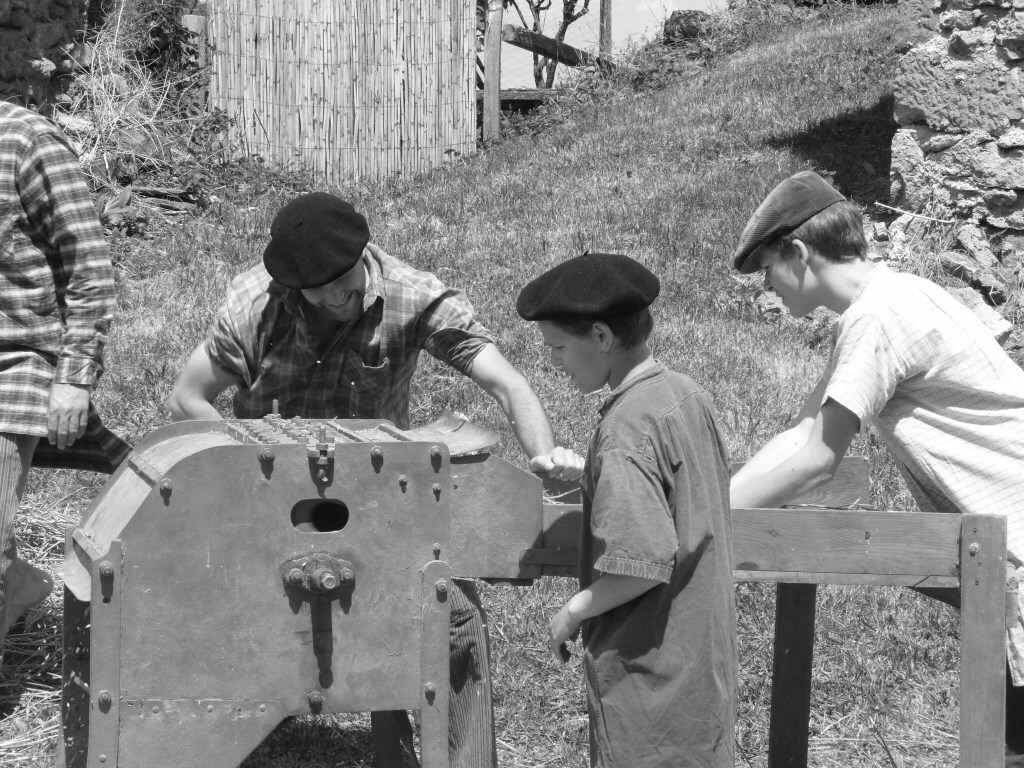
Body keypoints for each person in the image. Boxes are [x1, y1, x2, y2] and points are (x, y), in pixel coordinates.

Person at [165, 191, 583, 768]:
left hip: (379, 493)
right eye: (318, 290)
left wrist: (544, 458)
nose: (336, 297)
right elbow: (187, 399)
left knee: (453, 622)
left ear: (364, 253)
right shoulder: (254, 305)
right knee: (219, 604)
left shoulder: (413, 294)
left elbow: (506, 383)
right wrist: (253, 461)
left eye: (345, 280)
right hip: (270, 493)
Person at [728, 169, 1024, 764]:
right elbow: (804, 431)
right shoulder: (891, 296)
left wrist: (708, 519)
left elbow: (819, 458)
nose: (767, 286)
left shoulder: (875, 317)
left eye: (766, 268)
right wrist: (716, 496)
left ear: (799, 252)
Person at [518, 252, 737, 768]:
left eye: (558, 347)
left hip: (648, 683)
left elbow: (641, 564)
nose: (555, 363)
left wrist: (572, 612)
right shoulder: (685, 394)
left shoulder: (624, 431)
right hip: (700, 664)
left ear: (601, 336)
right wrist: (592, 477)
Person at [0, 100, 128, 657]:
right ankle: (18, 583)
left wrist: (74, 377)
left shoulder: (25, 142)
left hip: (16, 359)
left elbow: (89, 264)